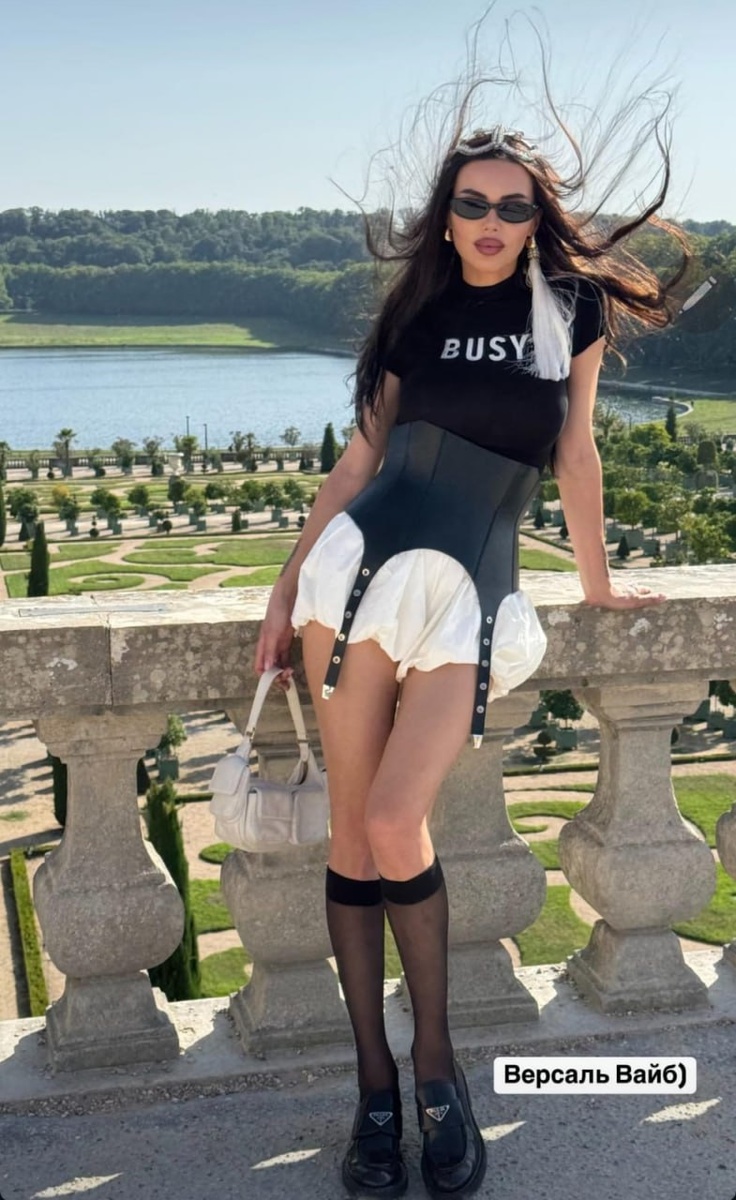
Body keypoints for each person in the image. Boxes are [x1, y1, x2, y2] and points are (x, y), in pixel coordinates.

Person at [255, 116, 687, 1198]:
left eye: (513, 206)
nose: (491, 222)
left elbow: (575, 450)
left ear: (536, 219)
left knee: (395, 817)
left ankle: (436, 1070)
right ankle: (374, 1087)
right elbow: (360, 460)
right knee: (353, 836)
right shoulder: (416, 313)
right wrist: (283, 588)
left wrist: (594, 582)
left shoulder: (568, 309)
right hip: (357, 580)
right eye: (472, 203)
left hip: (472, 595)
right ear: (444, 218)